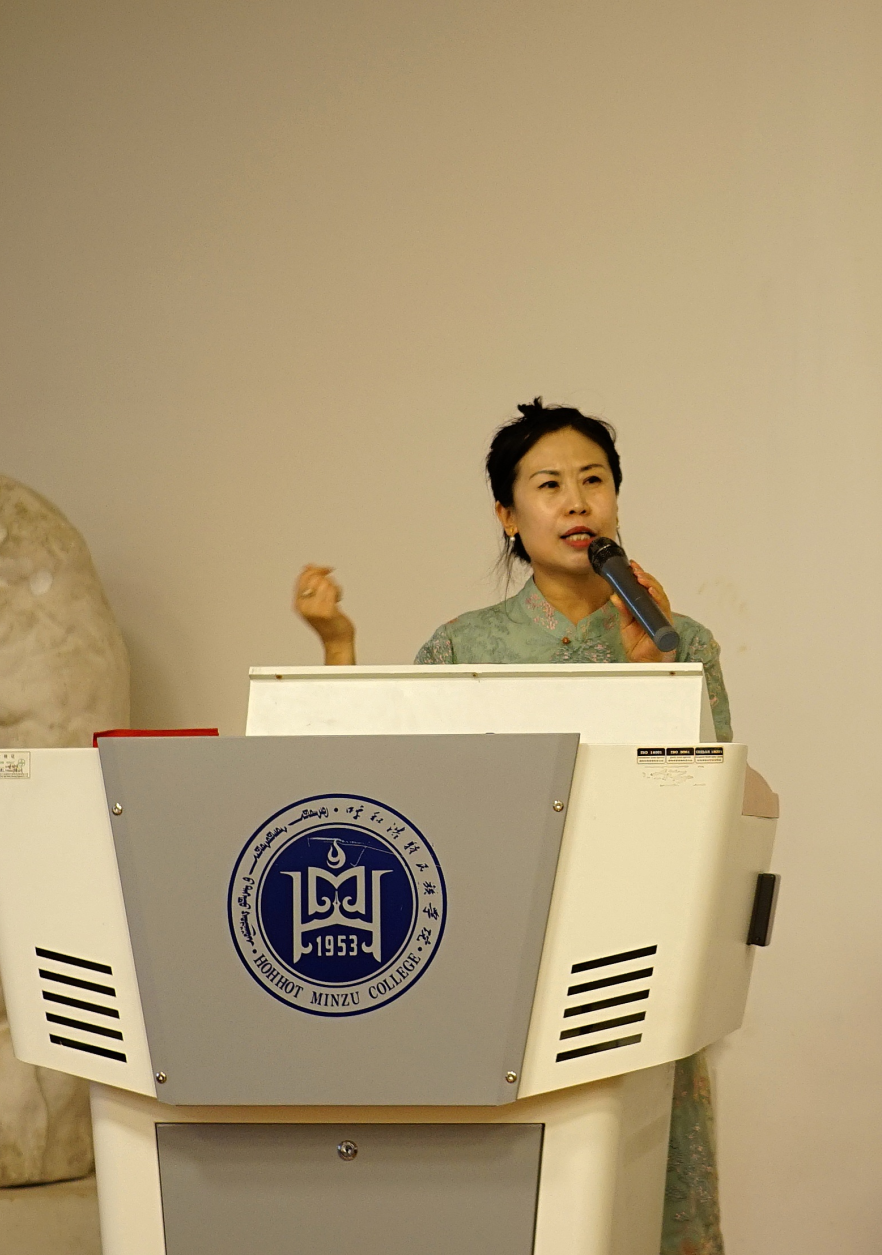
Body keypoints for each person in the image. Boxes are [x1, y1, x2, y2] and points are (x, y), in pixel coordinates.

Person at [293, 399, 729, 1255]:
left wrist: (656, 675)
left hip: (637, 958)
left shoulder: (681, 639)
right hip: (493, 967)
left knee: (645, 1192)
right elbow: (380, 799)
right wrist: (338, 647)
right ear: (508, 514)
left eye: (594, 480)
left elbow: (706, 802)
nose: (577, 501)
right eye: (550, 484)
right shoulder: (463, 648)